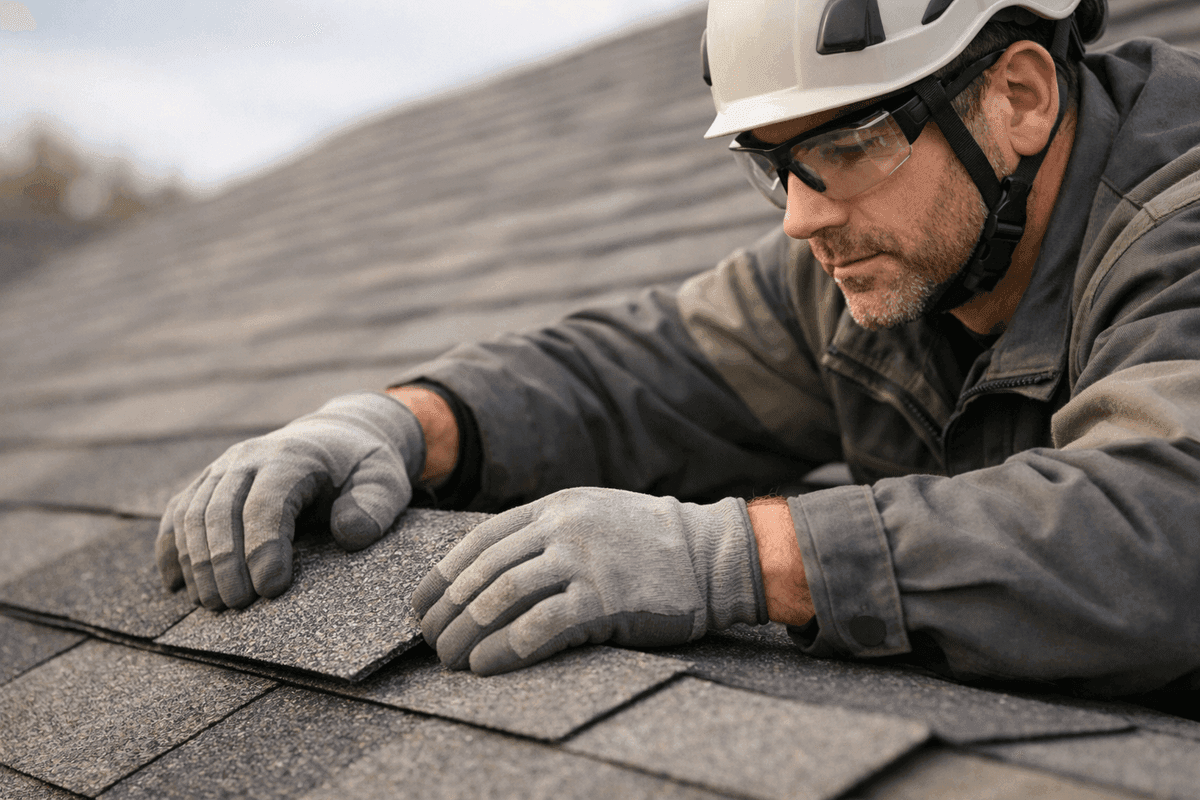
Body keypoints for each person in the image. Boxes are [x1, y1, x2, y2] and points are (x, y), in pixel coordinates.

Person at [157, 0, 1200, 695]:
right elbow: (650, 373)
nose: (801, 217)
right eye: (775, 163)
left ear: (1018, 96)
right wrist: (403, 420)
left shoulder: (1179, 219)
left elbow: (1167, 525)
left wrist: (737, 557)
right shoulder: (886, 259)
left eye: (843, 147)